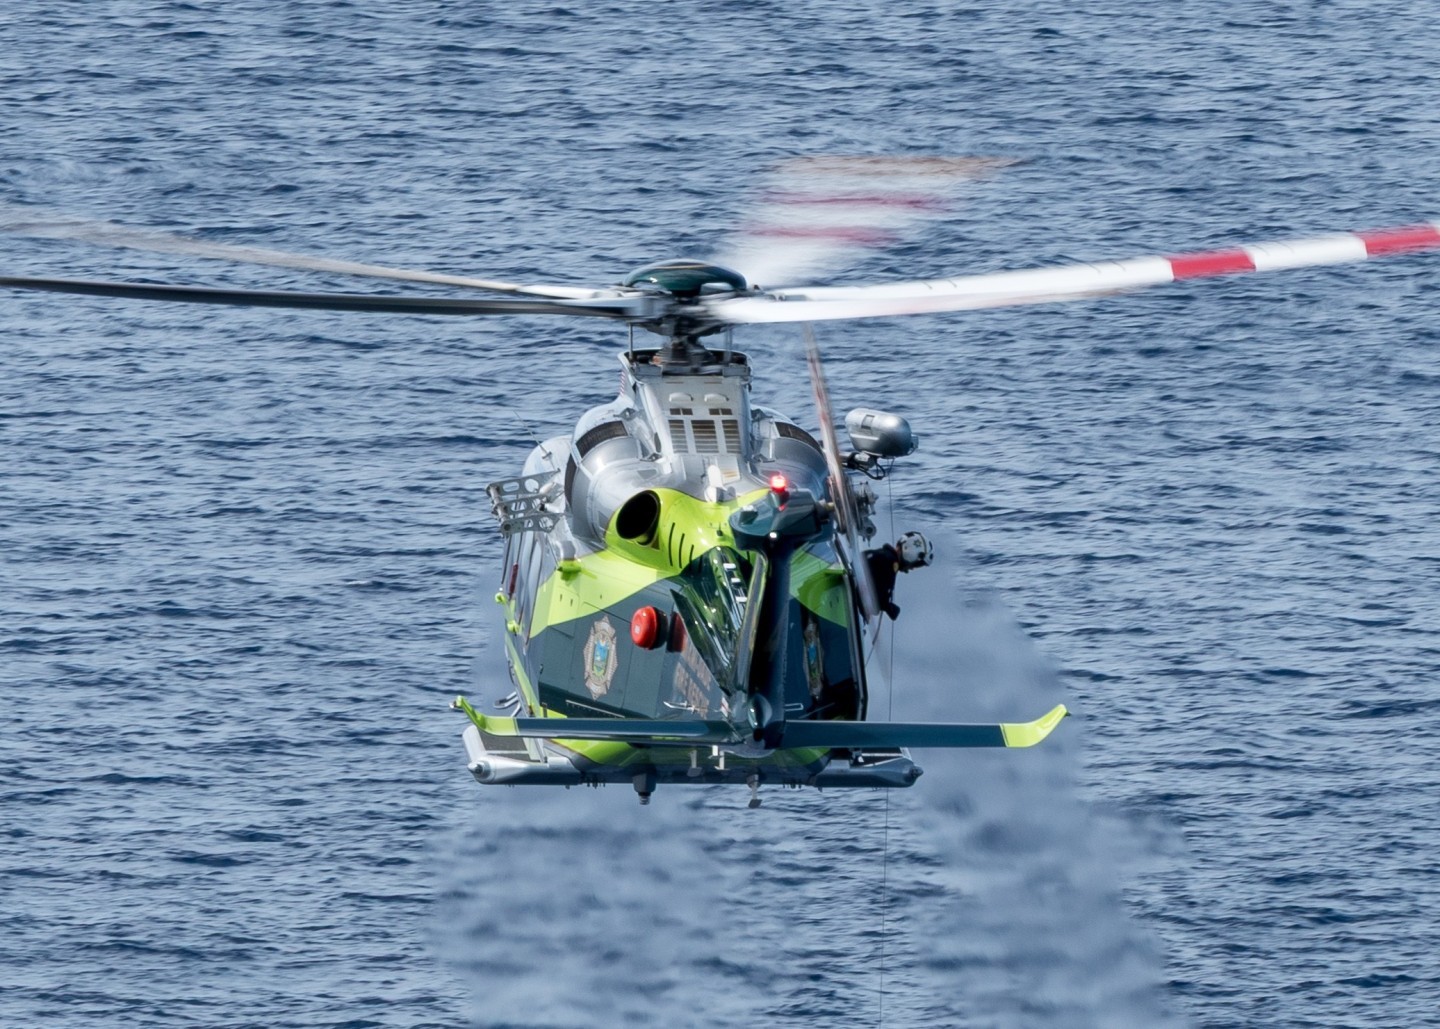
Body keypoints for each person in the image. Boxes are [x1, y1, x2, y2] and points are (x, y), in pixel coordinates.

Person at [864, 531, 933, 620]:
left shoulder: (883, 555)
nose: (912, 568)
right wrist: (888, 607)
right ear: (911, 553)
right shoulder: (888, 562)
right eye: (916, 564)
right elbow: (874, 600)